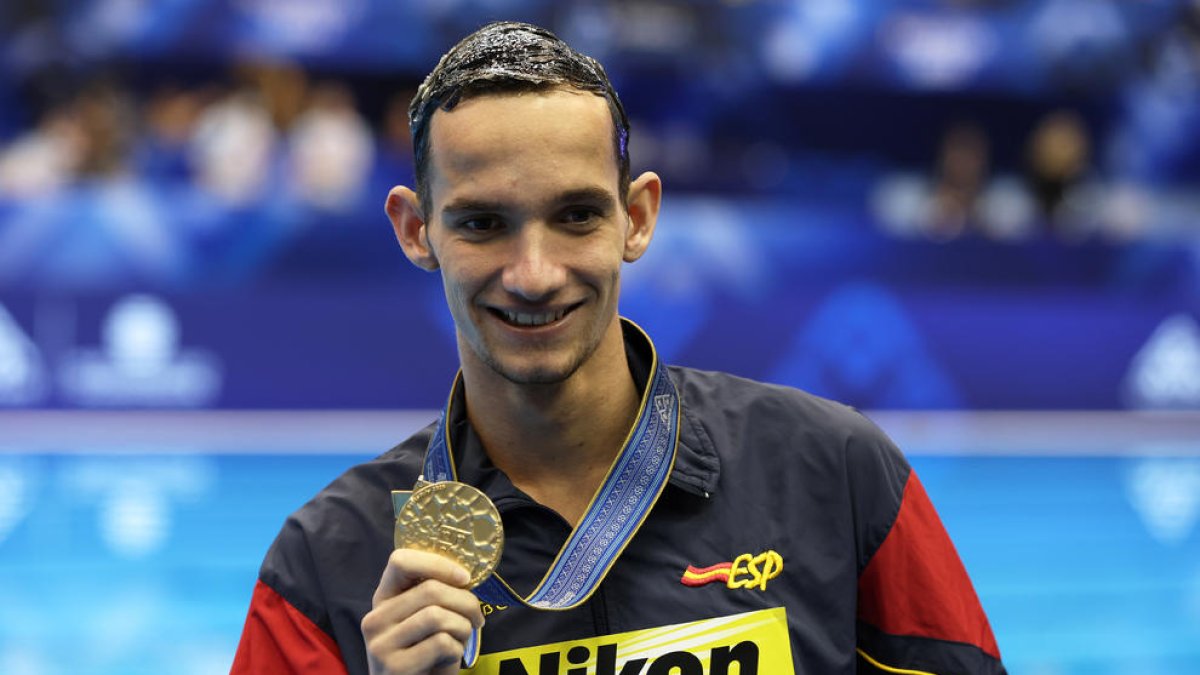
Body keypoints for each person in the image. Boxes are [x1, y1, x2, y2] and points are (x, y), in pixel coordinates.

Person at [231, 21, 1006, 675]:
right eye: (481, 223)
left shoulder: (835, 473)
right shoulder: (326, 563)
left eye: (575, 216)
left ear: (637, 218)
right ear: (415, 230)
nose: (533, 275)